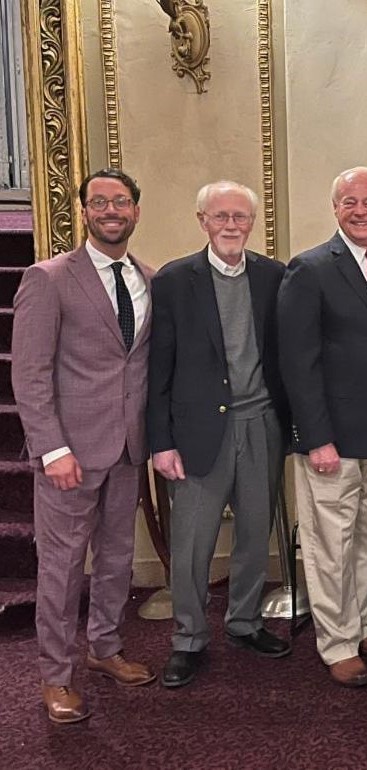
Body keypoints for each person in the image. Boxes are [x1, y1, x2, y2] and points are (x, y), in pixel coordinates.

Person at [12, 168, 157, 723]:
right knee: (62, 566)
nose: (110, 210)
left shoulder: (148, 278)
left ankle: (105, 647)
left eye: (120, 201)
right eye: (99, 202)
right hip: (68, 453)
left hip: (127, 448)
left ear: (136, 210)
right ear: (84, 211)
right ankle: (56, 676)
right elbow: (29, 373)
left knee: (117, 558)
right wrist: (51, 449)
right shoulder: (48, 278)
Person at [277, 166, 367, 687]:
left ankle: (358, 625)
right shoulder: (310, 269)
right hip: (331, 439)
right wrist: (314, 437)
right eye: (350, 202)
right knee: (330, 544)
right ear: (334, 208)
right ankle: (336, 643)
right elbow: (298, 363)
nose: (361, 211)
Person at [147, 181, 291, 688]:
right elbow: (157, 368)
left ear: (252, 223)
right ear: (202, 220)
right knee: (192, 543)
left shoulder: (274, 276)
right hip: (197, 431)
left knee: (254, 533)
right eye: (220, 216)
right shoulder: (173, 280)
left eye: (240, 216)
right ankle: (188, 638)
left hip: (262, 424)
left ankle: (245, 622)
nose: (231, 225)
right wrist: (161, 442)